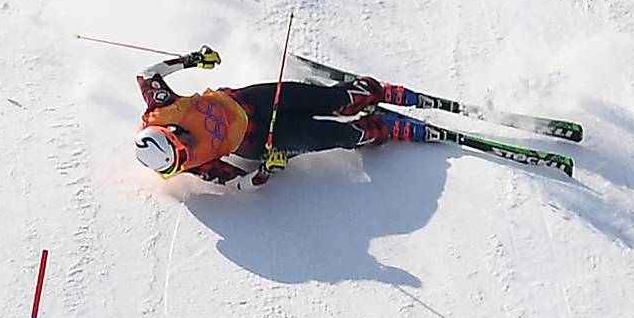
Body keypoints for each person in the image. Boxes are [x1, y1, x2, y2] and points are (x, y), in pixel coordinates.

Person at [134, 45, 428, 190]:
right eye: (181, 157)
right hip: (260, 141)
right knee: (337, 136)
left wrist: (192, 60)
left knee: (333, 101)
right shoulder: (187, 165)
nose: (187, 150)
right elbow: (237, 183)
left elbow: (147, 74)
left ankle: (362, 94)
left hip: (249, 101)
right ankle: (372, 131)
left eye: (181, 144)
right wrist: (266, 171)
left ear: (170, 130)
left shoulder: (162, 107)